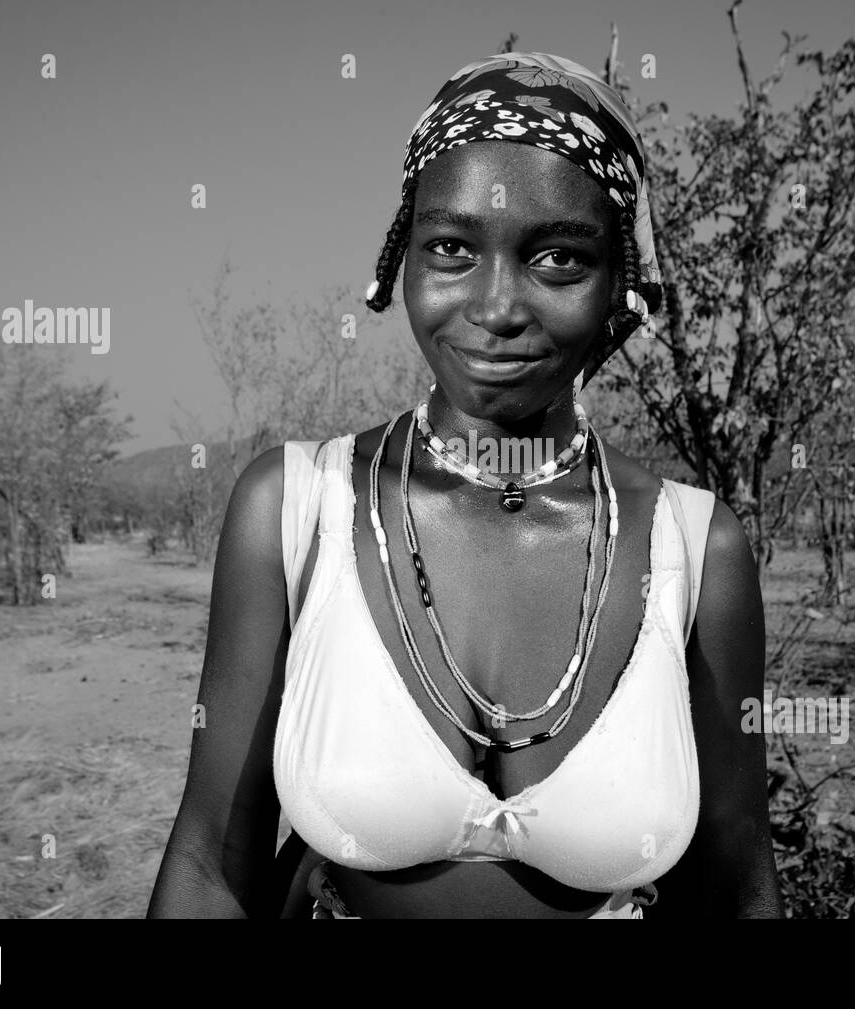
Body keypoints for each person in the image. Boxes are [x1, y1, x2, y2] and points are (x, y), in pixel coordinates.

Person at [148, 51, 782, 919]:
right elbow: (209, 863)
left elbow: (736, 879)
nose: (495, 306)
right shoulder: (299, 508)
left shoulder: (692, 548)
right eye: (450, 248)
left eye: (558, 258)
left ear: (619, 287)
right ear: (398, 258)